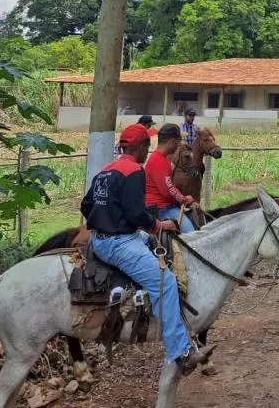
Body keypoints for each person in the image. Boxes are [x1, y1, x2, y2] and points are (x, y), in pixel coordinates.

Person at [81, 125, 212, 374]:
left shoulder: (107, 170)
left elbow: (86, 205)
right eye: (146, 144)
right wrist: (159, 225)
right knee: (166, 282)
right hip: (119, 242)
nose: (149, 148)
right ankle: (180, 352)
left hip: (100, 238)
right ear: (140, 147)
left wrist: (106, 221)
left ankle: (137, 297)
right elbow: (136, 213)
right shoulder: (134, 172)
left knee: (150, 243)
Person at [144, 124, 199, 233]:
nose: (178, 145)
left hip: (158, 206)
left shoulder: (157, 158)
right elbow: (168, 191)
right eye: (178, 142)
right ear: (172, 141)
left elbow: (169, 186)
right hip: (162, 209)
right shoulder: (160, 161)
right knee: (192, 235)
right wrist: (184, 199)